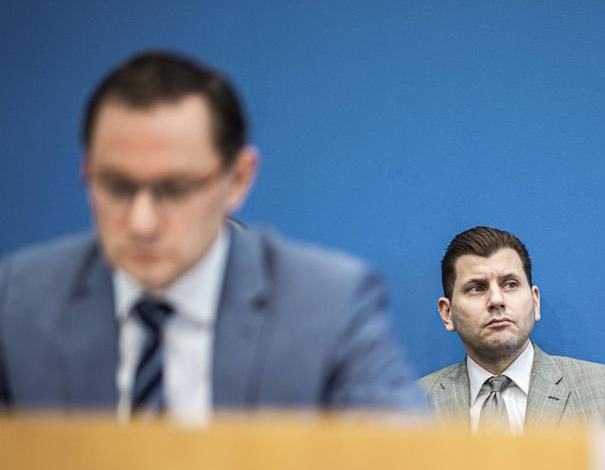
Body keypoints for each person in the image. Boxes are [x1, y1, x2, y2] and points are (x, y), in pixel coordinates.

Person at [0, 51, 423, 421]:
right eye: (116, 186)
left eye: (176, 188)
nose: (141, 222)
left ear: (238, 179)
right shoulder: (18, 299)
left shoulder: (327, 305)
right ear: (87, 170)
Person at [421, 226, 605, 431]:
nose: (496, 300)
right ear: (447, 314)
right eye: (476, 288)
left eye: (510, 284)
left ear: (535, 302)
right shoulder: (411, 406)